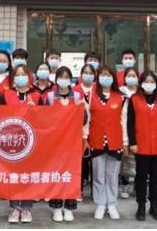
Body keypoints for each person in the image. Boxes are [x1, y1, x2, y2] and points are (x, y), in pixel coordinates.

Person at [2, 64, 44, 224]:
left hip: (31, 141)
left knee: (28, 174)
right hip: (11, 140)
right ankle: (14, 207)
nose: (21, 78)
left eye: (23, 75)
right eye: (17, 75)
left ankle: (26, 207)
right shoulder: (7, 94)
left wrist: (36, 111)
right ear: (13, 78)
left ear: (29, 77)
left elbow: (46, 118)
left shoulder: (37, 95)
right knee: (13, 174)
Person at [47, 66, 89, 223]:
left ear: (71, 80)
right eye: (61, 77)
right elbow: (44, 119)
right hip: (55, 143)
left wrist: (81, 110)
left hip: (73, 142)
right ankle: (57, 207)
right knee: (56, 174)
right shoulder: (50, 97)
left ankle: (69, 208)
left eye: (66, 77)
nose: (63, 80)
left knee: (71, 174)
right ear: (56, 79)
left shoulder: (78, 97)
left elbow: (84, 120)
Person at [127, 71, 157, 222]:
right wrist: (132, 142)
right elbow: (130, 123)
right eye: (146, 81)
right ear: (141, 83)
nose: (149, 84)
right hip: (141, 144)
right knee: (141, 176)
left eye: (152, 82)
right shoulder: (134, 99)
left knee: (156, 176)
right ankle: (141, 205)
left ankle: (154, 205)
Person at [88, 65, 127, 221]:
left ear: (113, 78)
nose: (105, 78)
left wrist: (125, 141)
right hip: (96, 140)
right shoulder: (89, 95)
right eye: (102, 75)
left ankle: (111, 204)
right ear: (98, 77)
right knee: (98, 175)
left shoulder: (121, 97)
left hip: (115, 140)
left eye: (108, 75)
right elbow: (86, 120)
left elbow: (124, 121)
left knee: (112, 175)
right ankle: (100, 204)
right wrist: (85, 139)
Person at [73, 63, 97, 200]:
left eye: (91, 73)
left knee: (95, 161)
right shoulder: (74, 90)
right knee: (81, 161)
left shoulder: (98, 89)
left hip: (96, 128)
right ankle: (79, 189)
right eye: (85, 73)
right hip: (79, 130)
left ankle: (95, 190)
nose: (88, 75)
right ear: (81, 75)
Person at [118, 67, 139, 199]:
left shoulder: (141, 92)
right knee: (125, 157)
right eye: (129, 75)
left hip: (139, 129)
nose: (131, 78)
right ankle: (125, 184)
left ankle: (137, 183)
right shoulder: (120, 92)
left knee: (138, 157)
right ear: (125, 78)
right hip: (123, 127)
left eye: (133, 75)